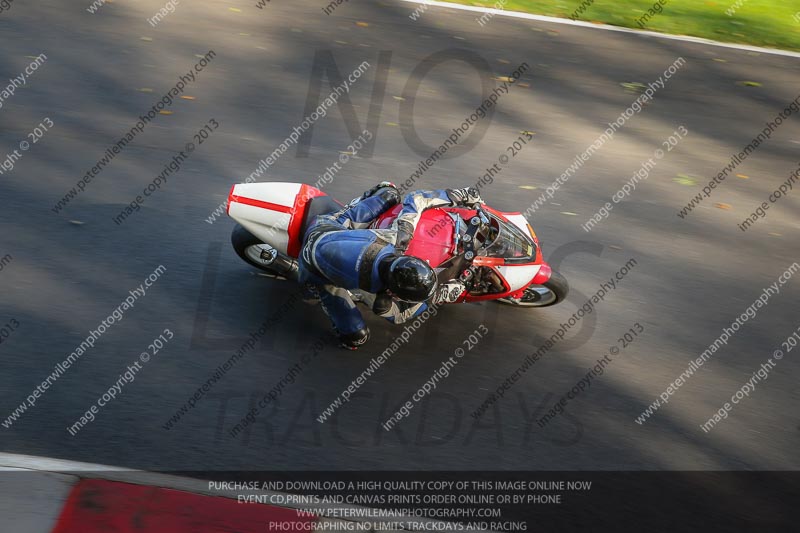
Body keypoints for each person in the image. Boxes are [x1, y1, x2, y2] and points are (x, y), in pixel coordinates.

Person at [298, 182, 483, 349]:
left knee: (390, 192)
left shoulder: (396, 241)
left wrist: (458, 195)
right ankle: (288, 267)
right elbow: (399, 315)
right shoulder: (377, 295)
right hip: (314, 270)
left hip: (327, 229)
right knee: (355, 337)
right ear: (393, 293)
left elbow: (415, 199)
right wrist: (437, 296)